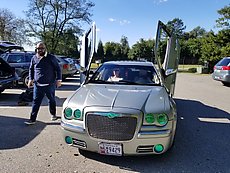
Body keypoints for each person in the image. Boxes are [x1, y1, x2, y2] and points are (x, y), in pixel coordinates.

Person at [24, 42, 62, 125]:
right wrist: (31, 79)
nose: (40, 50)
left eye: (42, 48)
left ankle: (53, 114)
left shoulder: (51, 58)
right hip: (38, 85)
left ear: (45, 49)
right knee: (35, 102)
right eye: (38, 48)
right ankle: (32, 119)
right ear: (36, 49)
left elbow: (58, 69)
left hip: (49, 85)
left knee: (51, 100)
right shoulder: (34, 58)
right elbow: (31, 69)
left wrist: (59, 80)